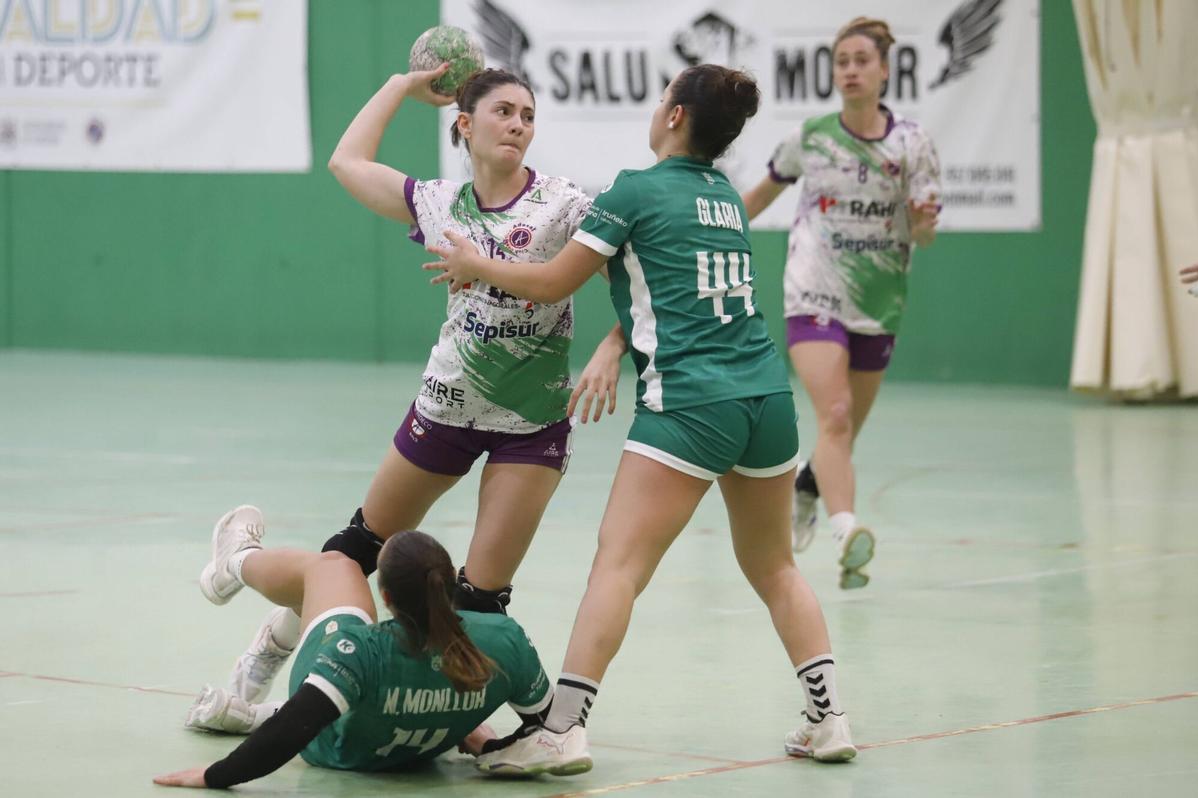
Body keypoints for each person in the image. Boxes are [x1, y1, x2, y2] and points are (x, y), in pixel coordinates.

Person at [425, 63, 857, 775]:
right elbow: (668, 289)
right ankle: (829, 718)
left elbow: (552, 281)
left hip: (691, 403)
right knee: (776, 566)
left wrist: (479, 264)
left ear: (676, 116)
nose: (657, 108)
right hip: (767, 399)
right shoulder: (724, 197)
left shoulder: (635, 189)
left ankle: (561, 728)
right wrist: (613, 344)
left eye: (663, 99)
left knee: (618, 564)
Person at [210, 64, 618, 710]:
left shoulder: (563, 206)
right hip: (447, 407)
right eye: (504, 111)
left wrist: (615, 345)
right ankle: (261, 629)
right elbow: (347, 163)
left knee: (481, 604)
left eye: (528, 116)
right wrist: (400, 85)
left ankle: (455, 719)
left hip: (532, 423)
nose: (518, 124)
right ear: (465, 124)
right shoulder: (441, 203)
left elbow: (639, 281)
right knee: (353, 556)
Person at [154, 506, 565, 788]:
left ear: (385, 597)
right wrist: (486, 746)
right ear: (450, 585)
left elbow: (294, 729)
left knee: (335, 566)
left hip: (335, 749)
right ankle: (257, 706)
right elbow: (550, 729)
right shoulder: (503, 639)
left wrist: (214, 776)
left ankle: (236, 561)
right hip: (418, 752)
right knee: (351, 686)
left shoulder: (361, 649)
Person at [741, 17, 941, 588]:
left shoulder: (912, 144)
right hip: (814, 290)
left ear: (884, 70)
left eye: (861, 61)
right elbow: (759, 196)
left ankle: (806, 485)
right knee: (834, 414)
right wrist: (711, 227)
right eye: (842, 62)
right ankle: (846, 530)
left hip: (880, 300)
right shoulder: (812, 137)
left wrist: (921, 223)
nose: (851, 71)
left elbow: (925, 236)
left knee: (843, 432)